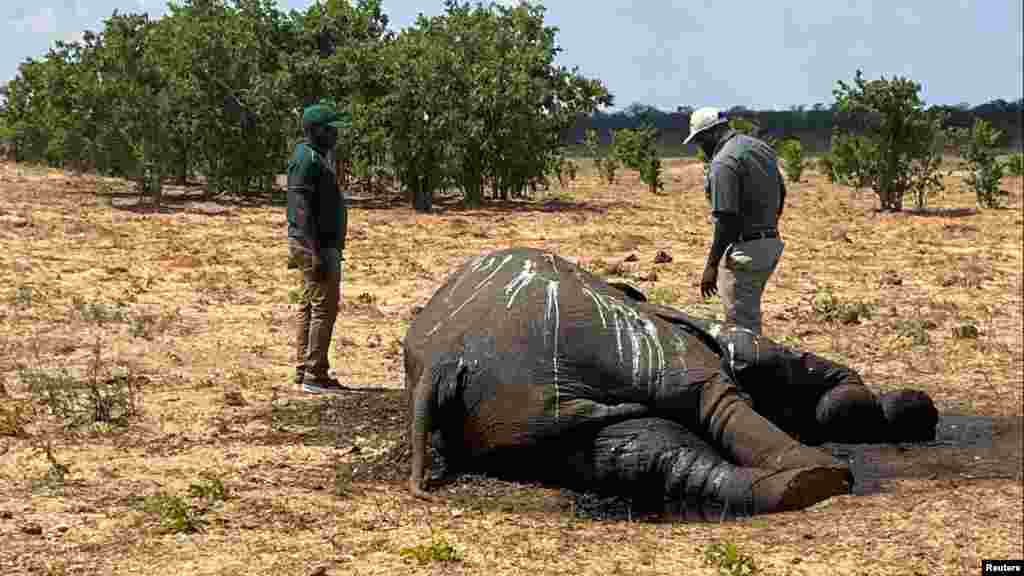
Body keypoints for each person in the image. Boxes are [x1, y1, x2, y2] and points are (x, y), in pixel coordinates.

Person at [684, 107, 787, 336]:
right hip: (770, 244)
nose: (701, 148)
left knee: (742, 328)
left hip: (746, 252)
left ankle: (754, 369)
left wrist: (711, 266)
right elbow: (781, 192)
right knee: (748, 314)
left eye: (701, 140)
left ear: (711, 133)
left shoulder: (723, 162)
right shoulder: (759, 147)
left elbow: (726, 220)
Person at [287, 101, 350, 393]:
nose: (335, 135)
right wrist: (313, 252)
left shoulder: (314, 156)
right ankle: (315, 375)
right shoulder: (307, 160)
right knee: (323, 308)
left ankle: (306, 370)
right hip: (316, 245)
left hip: (315, 244)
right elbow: (300, 208)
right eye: (330, 130)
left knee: (310, 307)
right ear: (315, 131)